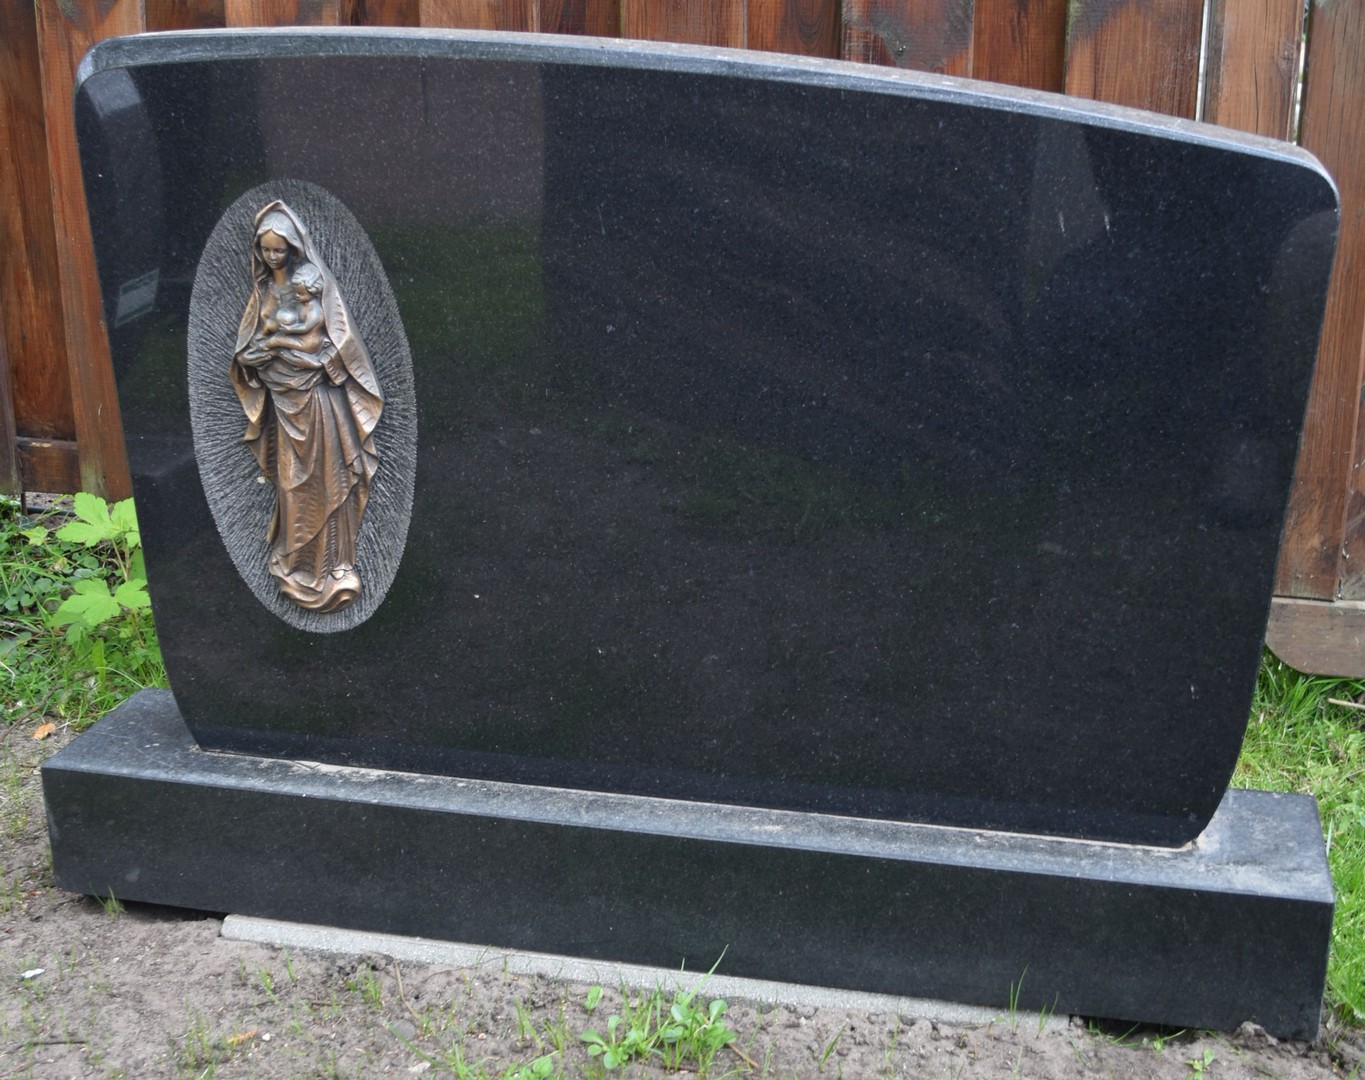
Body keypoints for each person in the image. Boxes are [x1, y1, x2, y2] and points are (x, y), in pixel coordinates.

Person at [231, 201, 383, 613]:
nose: (272, 257)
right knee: (292, 485)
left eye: (279, 250)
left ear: (294, 248)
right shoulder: (263, 294)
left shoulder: (318, 290)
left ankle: (334, 566)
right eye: (266, 250)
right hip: (284, 406)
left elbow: (343, 348)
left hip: (318, 403)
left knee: (330, 481)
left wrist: (317, 362)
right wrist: (255, 359)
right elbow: (246, 351)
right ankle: (296, 566)